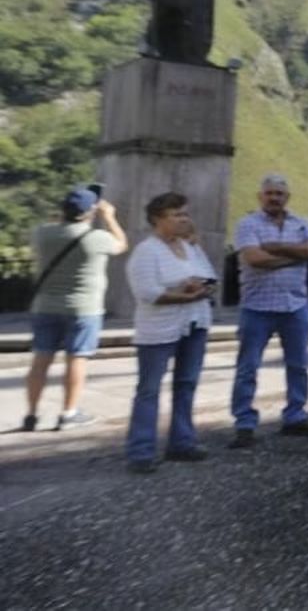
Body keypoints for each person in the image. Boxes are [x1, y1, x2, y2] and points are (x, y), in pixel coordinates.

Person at [229, 174, 308, 448]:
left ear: (287, 197)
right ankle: (244, 423)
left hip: (295, 305)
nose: (274, 197)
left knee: (298, 365)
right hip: (257, 306)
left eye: (279, 193)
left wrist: (276, 247)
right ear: (260, 196)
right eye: (269, 193)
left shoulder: (301, 223)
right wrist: (298, 254)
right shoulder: (247, 224)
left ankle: (295, 416)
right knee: (248, 367)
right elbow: (254, 258)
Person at [124, 192, 216, 474]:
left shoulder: (190, 248)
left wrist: (198, 287)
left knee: (186, 384)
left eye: (185, 214)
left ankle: (182, 441)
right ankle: (141, 451)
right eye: (176, 214)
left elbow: (210, 277)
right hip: (159, 329)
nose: (184, 219)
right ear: (157, 220)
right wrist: (184, 293)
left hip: (194, 323)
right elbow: (147, 292)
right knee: (149, 389)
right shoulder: (146, 251)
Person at [22, 186, 128, 431]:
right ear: (91, 211)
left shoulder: (42, 234)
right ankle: (68, 413)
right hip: (84, 308)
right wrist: (109, 216)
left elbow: (54, 226)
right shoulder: (97, 239)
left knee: (40, 360)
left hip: (45, 305)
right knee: (76, 359)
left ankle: (31, 414)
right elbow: (122, 244)